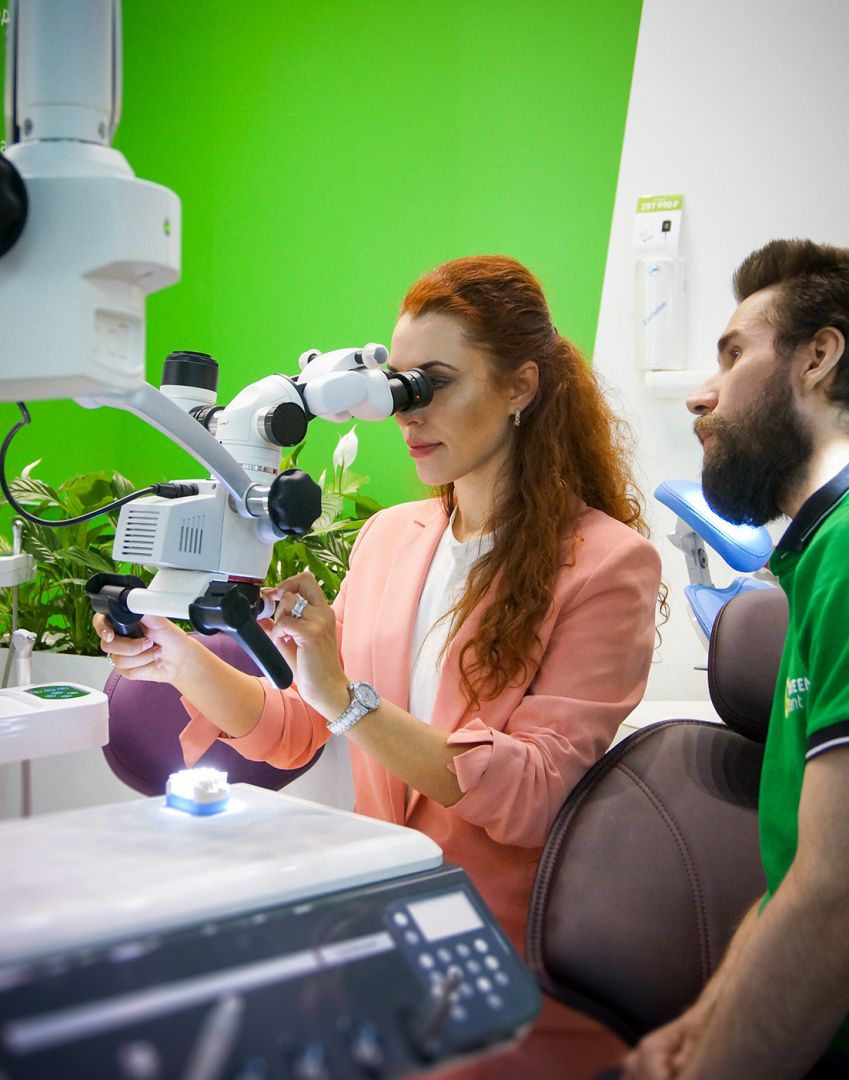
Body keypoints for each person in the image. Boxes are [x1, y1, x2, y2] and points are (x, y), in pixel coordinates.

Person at [96, 255, 662, 1079]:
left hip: (491, 952)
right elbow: (295, 727)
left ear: (520, 386)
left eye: (433, 382)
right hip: (367, 919)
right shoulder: (391, 537)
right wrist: (175, 657)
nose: (408, 411)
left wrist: (345, 699)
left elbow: (535, 792)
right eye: (397, 386)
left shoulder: (607, 565)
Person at [623, 239, 849, 1080]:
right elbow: (798, 878)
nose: (700, 394)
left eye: (731, 355)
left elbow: (834, 902)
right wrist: (701, 1026)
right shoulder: (815, 557)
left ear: (817, 358)